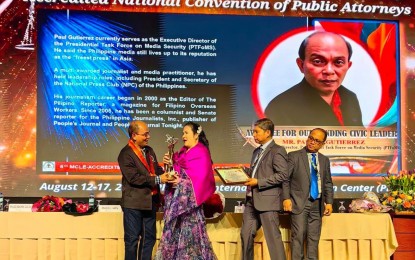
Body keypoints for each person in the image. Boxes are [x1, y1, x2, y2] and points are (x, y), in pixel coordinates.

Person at [265, 31, 363, 126]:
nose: (329, 71)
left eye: (338, 62)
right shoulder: (279, 108)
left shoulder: (350, 98)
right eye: (318, 61)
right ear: (301, 65)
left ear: (348, 66)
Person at [155, 122, 217, 259]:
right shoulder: (181, 153)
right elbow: (175, 173)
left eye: (186, 133)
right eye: (183, 133)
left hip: (190, 210)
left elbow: (202, 181)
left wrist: (181, 182)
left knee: (191, 241)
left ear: (196, 135)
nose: (183, 136)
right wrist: (168, 164)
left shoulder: (201, 153)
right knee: (173, 240)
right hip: (177, 207)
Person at [118, 120, 170, 260]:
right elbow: (134, 178)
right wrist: (159, 179)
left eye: (148, 134)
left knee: (149, 239)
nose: (148, 137)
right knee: (132, 240)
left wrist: (167, 170)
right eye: (145, 134)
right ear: (134, 135)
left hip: (150, 202)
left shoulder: (149, 151)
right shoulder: (125, 154)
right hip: (133, 204)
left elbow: (157, 170)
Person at [282, 128, 334, 260]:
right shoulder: (294, 156)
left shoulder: (324, 160)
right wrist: (286, 198)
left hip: (317, 204)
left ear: (322, 144)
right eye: (311, 138)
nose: (312, 142)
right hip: (299, 202)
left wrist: (329, 202)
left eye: (317, 141)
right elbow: (285, 179)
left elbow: (327, 182)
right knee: (298, 236)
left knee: (314, 238)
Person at [241, 118, 289, 260]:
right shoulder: (256, 151)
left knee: (273, 240)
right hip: (251, 201)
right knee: (245, 235)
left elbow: (283, 175)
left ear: (267, 132)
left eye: (256, 132)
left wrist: (259, 182)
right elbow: (256, 172)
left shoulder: (277, 150)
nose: (253, 135)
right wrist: (239, 173)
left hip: (268, 201)